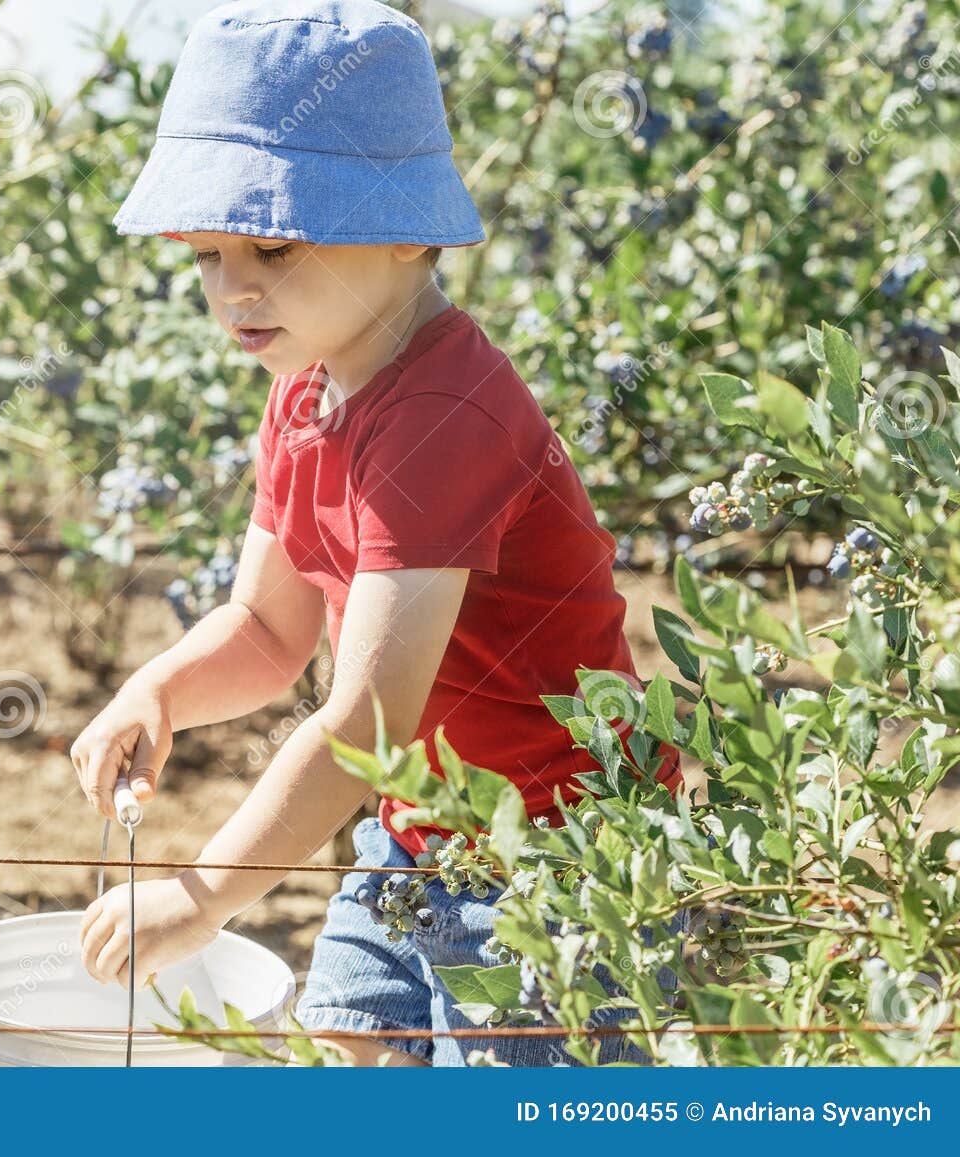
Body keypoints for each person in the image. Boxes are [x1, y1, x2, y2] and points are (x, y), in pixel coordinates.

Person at [71, 0, 681, 1066]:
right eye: (207, 254)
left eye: (270, 241)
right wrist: (157, 688)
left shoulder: (446, 417)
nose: (233, 287)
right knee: (352, 1051)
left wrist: (205, 894)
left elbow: (367, 720)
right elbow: (266, 628)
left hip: (560, 853)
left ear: (407, 229)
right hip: (414, 835)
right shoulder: (304, 390)